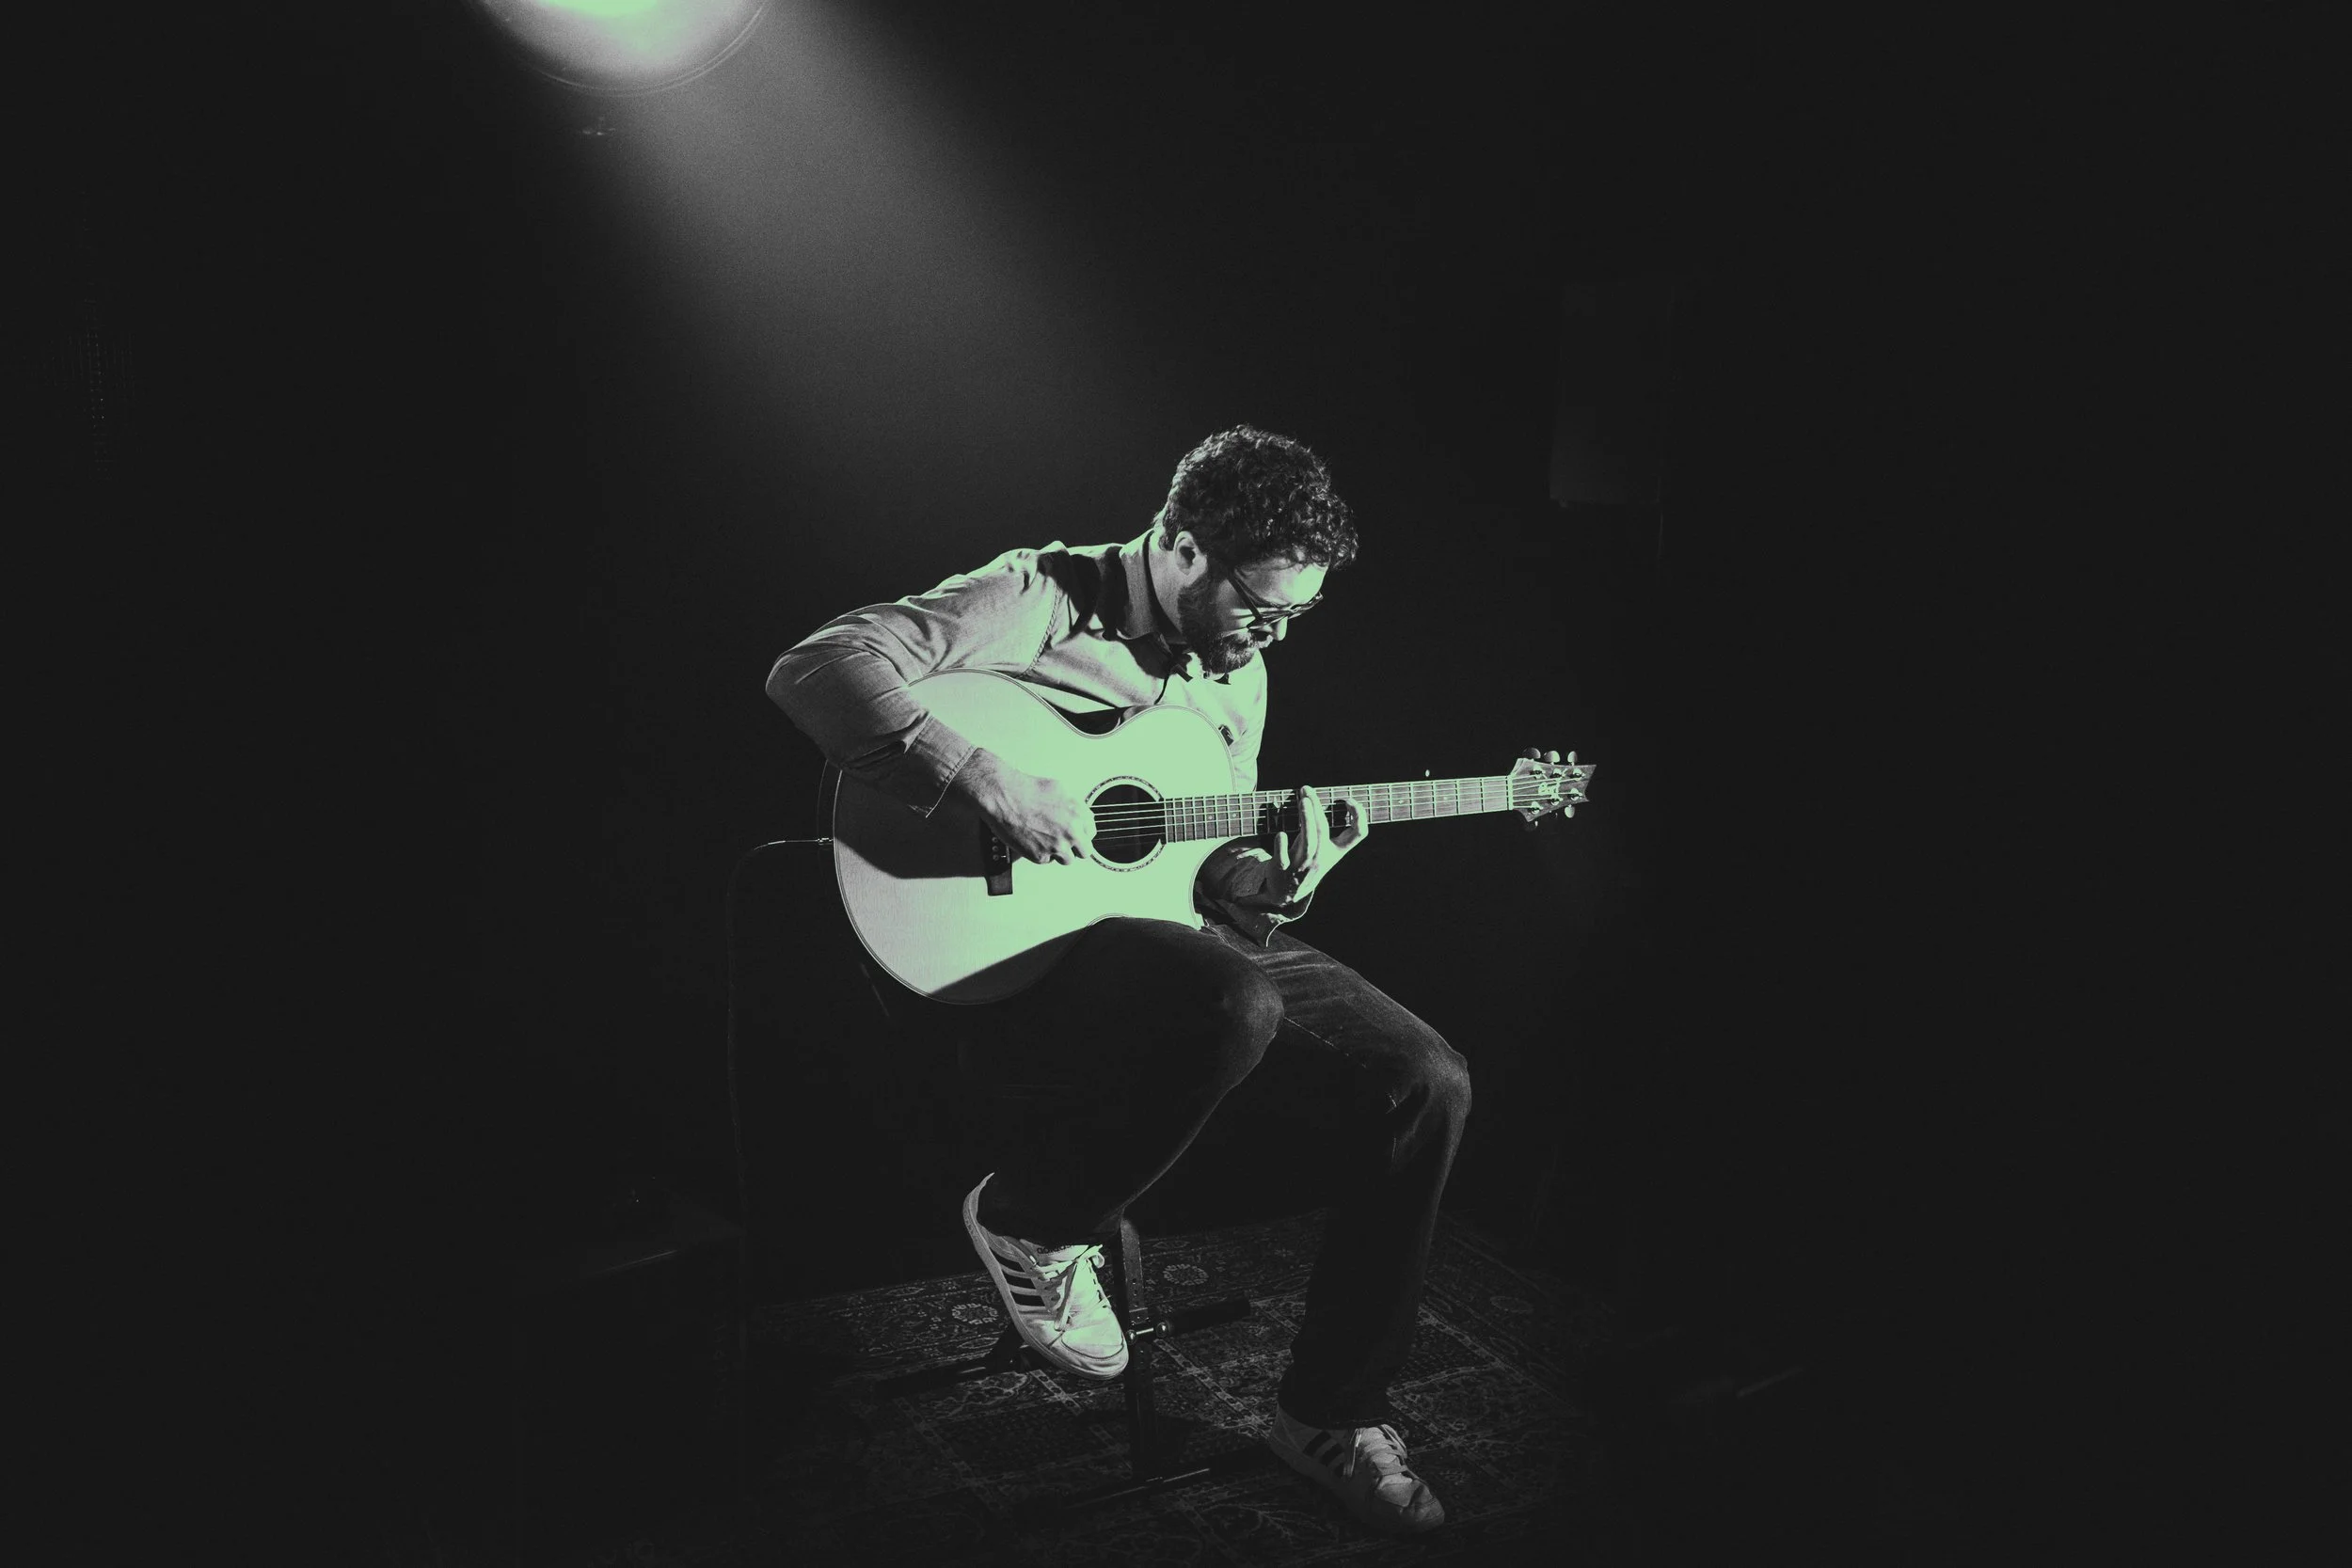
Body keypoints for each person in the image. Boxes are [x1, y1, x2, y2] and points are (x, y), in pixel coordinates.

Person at [766, 426, 1464, 1535]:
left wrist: (1276, 880)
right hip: (1001, 961)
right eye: (1260, 603)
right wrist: (984, 776)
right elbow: (814, 668)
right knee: (1234, 997)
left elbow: (1202, 874)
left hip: (1164, 949)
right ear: (1182, 548)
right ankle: (1034, 1218)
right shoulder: (1038, 594)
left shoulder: (1242, 675)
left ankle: (1329, 1411)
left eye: (1297, 615)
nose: (1272, 632)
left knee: (1424, 1078)